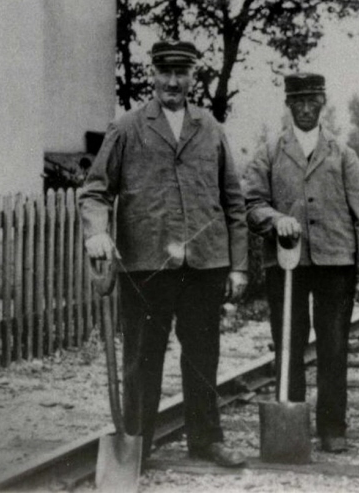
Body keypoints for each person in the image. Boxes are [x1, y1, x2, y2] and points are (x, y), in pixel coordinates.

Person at [79, 41, 249, 467]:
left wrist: (239, 265)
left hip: (204, 264)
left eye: (181, 73)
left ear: (194, 77)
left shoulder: (211, 128)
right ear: (152, 74)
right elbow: (95, 192)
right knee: (142, 357)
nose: (172, 82)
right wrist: (96, 234)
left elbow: (234, 203)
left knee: (203, 355)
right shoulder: (127, 127)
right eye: (164, 72)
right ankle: (138, 442)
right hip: (146, 265)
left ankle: (207, 440)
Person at [243, 72, 359, 453]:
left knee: (334, 347)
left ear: (323, 103)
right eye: (297, 101)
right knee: (288, 344)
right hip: (286, 266)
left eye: (312, 100)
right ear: (288, 105)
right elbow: (251, 205)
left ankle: (333, 427)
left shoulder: (343, 153)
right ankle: (293, 423)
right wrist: (275, 219)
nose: (305, 108)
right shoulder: (269, 152)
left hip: (337, 264)